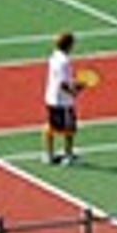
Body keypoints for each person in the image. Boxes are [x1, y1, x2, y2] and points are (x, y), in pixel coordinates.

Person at [43, 31, 84, 165]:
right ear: (69, 45)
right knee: (70, 128)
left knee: (51, 126)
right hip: (63, 101)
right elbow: (63, 83)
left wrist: (74, 85)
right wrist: (75, 91)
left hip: (50, 97)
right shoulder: (64, 61)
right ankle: (68, 156)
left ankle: (49, 155)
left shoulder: (53, 57)